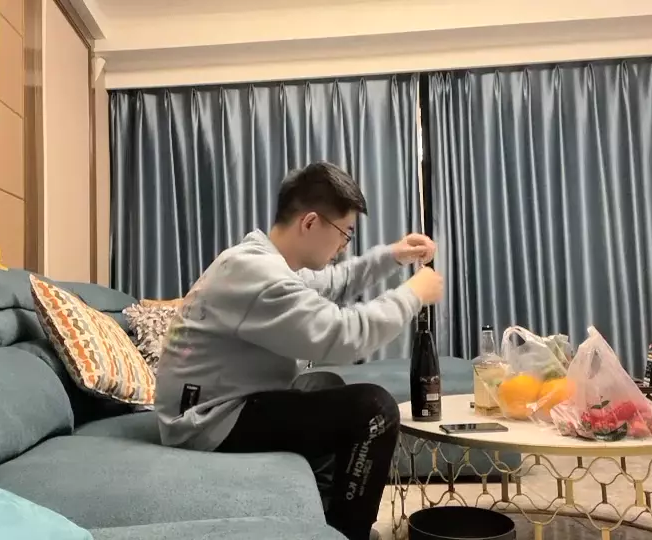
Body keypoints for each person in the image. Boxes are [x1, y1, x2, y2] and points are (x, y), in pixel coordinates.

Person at [154, 161, 445, 540]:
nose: (343, 247)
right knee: (374, 409)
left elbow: (335, 282)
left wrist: (393, 256)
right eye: (345, 234)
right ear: (310, 223)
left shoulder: (261, 261)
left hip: (218, 404)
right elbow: (342, 336)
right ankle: (348, 533)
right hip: (207, 422)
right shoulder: (258, 276)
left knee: (323, 384)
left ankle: (325, 516)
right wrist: (413, 294)